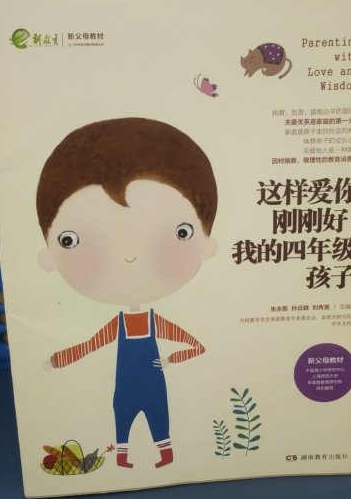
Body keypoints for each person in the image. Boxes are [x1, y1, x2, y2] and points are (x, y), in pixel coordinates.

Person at [37, 117, 218, 468]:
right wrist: (58, 360)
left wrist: (171, 360)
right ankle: (123, 459)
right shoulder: (119, 326)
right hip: (125, 386)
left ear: (205, 242)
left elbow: (195, 345)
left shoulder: (156, 323)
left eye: (181, 233)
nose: (129, 257)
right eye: (71, 240)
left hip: (153, 383)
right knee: (122, 413)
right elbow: (90, 345)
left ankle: (164, 455)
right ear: (50, 255)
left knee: (158, 414)